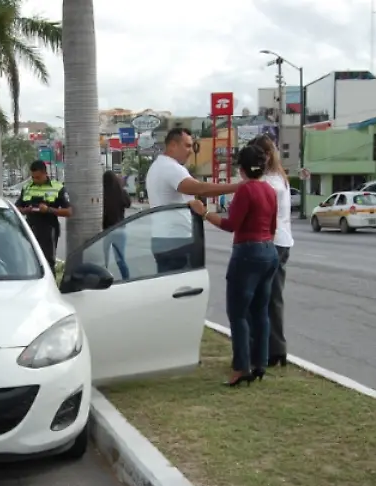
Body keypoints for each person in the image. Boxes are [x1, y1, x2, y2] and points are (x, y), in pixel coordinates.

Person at [191, 145, 278, 386]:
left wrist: (204, 212)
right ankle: (260, 362)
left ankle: (241, 367)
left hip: (247, 252)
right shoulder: (269, 190)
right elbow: (272, 227)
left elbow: (231, 225)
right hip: (269, 251)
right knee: (260, 311)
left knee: (238, 313)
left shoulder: (246, 190)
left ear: (241, 169)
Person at [145, 127, 243, 273]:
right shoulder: (170, 168)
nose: (191, 150)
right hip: (175, 241)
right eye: (187, 145)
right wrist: (238, 187)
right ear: (172, 145)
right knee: (181, 289)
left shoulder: (158, 166)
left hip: (164, 238)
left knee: (170, 286)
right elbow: (200, 189)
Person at [249, 134, 294, 368]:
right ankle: (275, 349)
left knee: (264, 299)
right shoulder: (280, 178)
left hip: (271, 242)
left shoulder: (267, 182)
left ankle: (271, 350)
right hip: (282, 241)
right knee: (272, 298)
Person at [15, 160, 71, 269]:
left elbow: (68, 211)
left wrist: (48, 209)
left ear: (45, 173)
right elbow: (16, 208)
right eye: (33, 177)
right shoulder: (27, 188)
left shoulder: (57, 187)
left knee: (47, 262)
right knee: (29, 261)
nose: (35, 180)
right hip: (30, 228)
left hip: (48, 230)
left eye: (38, 177)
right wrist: (26, 210)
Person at [102, 170, 131, 278]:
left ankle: (104, 280)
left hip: (105, 231)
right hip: (120, 229)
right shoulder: (121, 192)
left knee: (103, 260)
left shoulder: (101, 194)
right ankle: (126, 279)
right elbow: (128, 204)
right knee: (120, 259)